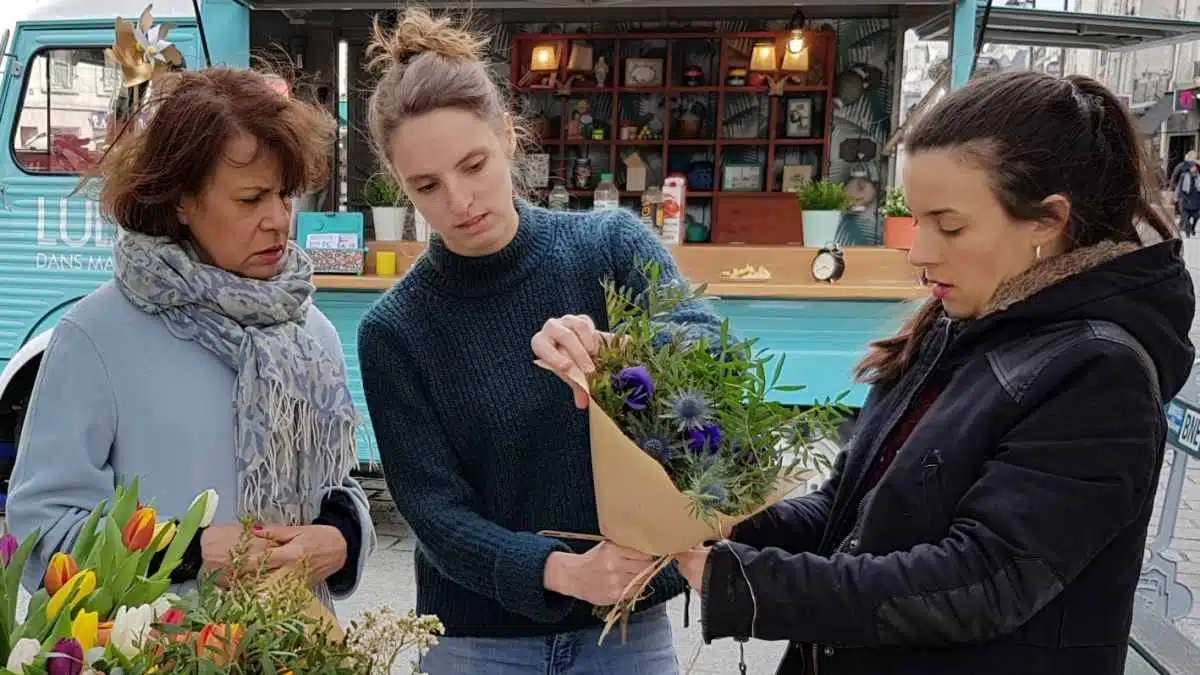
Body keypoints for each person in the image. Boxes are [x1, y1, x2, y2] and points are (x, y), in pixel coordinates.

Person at [677, 71, 1195, 675]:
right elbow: (846, 511)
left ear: (1049, 221)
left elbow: (978, 582)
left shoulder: (1100, 372)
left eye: (949, 226)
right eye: (915, 220)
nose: (918, 251)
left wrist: (745, 585)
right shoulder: (954, 325)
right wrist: (721, 521)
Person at [356, 8, 722, 673]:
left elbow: (713, 351)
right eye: (427, 186)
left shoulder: (609, 245)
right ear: (397, 184)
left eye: (473, 164)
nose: (460, 200)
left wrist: (625, 354)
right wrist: (565, 571)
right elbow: (435, 514)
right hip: (475, 643)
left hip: (627, 634)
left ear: (508, 136)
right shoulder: (396, 330)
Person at [6, 66, 377, 605]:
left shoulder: (308, 331)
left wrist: (341, 537)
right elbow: (41, 535)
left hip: (296, 652)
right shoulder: (96, 335)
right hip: (157, 654)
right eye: (251, 199)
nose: (278, 219)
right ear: (182, 201)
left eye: (286, 195)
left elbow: (336, 486)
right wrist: (192, 551)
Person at [1177, 161, 1200, 237]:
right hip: (1186, 199)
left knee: (1196, 217)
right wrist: (1179, 197)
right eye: (1192, 166)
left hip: (1196, 200)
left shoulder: (1198, 177)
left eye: (1195, 167)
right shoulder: (1184, 176)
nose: (1194, 168)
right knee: (1186, 218)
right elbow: (1180, 187)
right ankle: (1188, 231)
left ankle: (1192, 227)